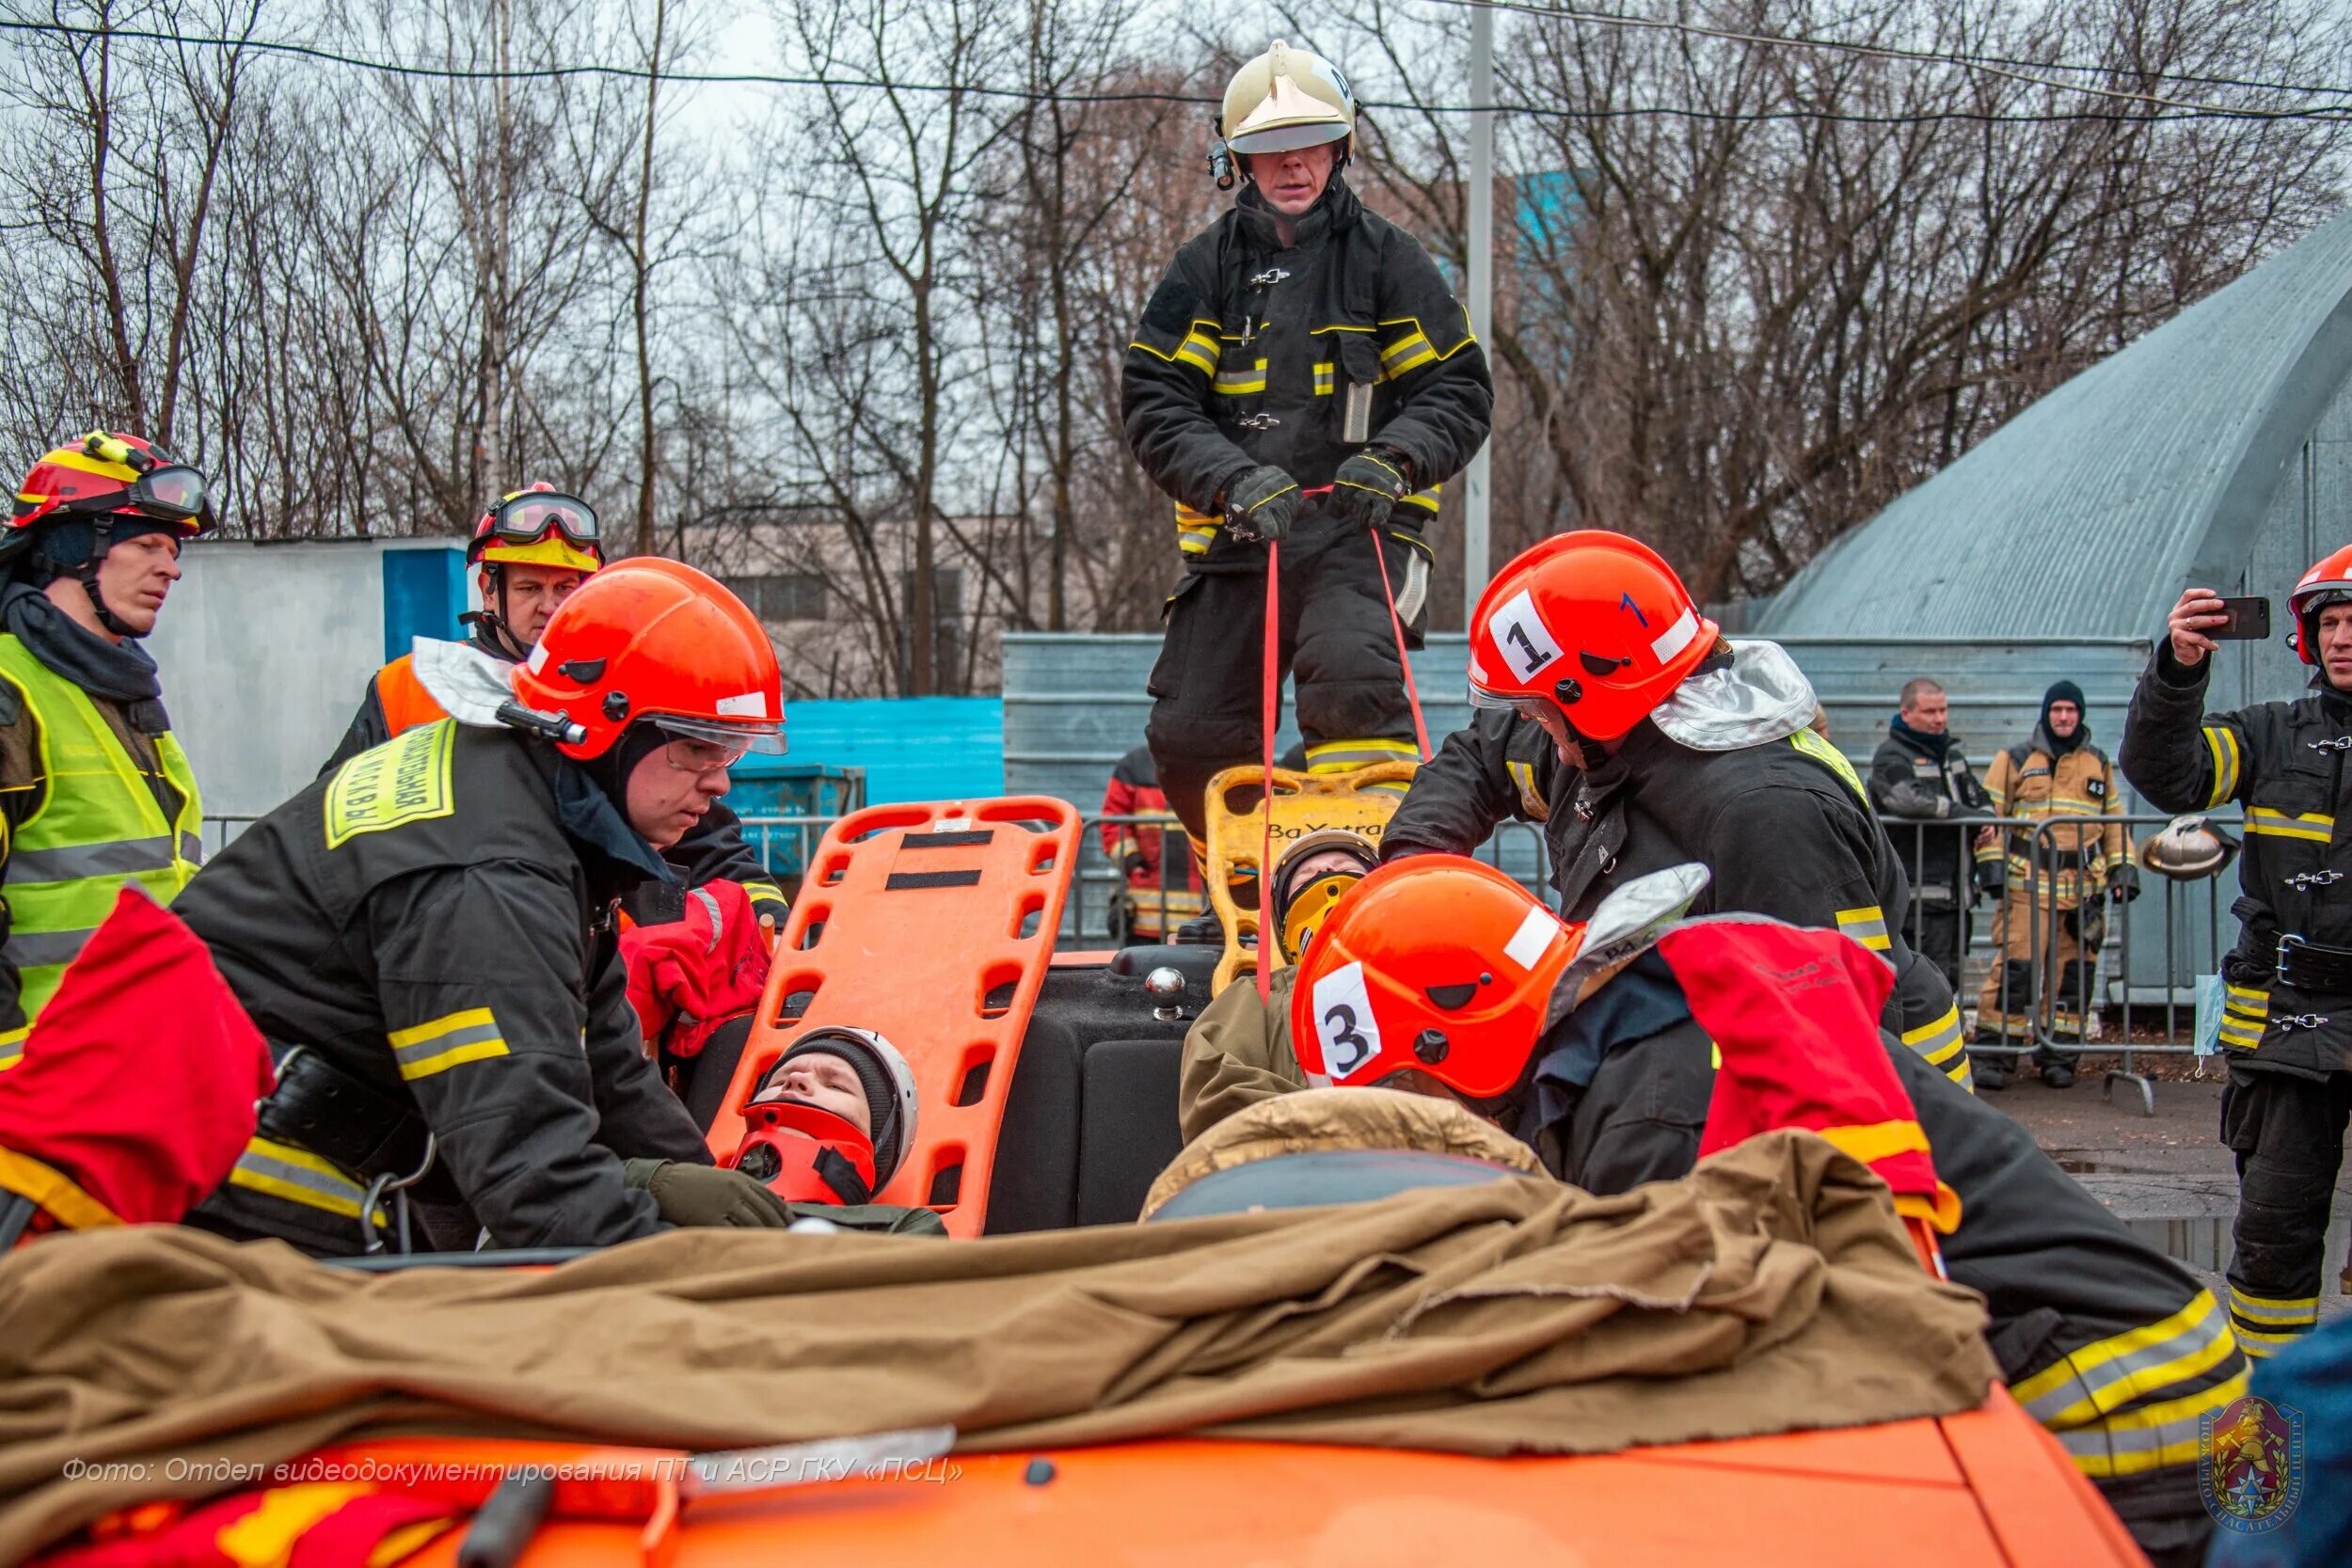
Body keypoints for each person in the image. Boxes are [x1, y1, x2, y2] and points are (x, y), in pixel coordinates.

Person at [1286, 854, 2243, 1568]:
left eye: (1411, 1095)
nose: (1422, 1135)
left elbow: (1677, 1388)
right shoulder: (1646, 1044)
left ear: (1451, 1044)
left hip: (2121, 1414)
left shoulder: (1652, 1111)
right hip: (2147, 1374)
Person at [179, 560, 836, 1256]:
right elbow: (536, 1182)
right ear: (609, 728)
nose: (721, 780)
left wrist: (698, 1182)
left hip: (270, 1146)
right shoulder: (493, 872)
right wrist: (726, 1274)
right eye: (697, 746)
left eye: (732, 750)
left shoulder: (529, 801)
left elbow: (609, 1063)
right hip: (215, 1180)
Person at [1120, 39, 1491, 937]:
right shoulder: (1200, 272)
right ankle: (1243, 890)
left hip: (1360, 538)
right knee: (1192, 731)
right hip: (1237, 539)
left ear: (1341, 148)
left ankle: (1382, 892)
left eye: (1313, 142)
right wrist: (1234, 479)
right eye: (1271, 147)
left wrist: (1392, 461)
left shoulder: (1388, 262)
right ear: (1235, 159)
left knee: (1355, 690)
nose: (1293, 163)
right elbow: (1155, 402)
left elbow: (1457, 390)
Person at [1383, 530, 1972, 1092]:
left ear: (1590, 694)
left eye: (1540, 709)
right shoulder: (1605, 737)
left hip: (1886, 1114)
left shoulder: (1768, 813)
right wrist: (1409, 873)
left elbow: (1831, 1034)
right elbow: (1484, 756)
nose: (1535, 725)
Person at [323, 484, 787, 931]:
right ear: (490, 591)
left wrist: (774, 927)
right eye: (529, 588)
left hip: (606, 958)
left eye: (567, 588)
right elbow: (336, 826)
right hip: (452, 936)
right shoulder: (408, 686)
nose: (550, 607)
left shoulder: (615, 694)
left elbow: (707, 841)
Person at [2119, 553, 2352, 1362]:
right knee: (2273, 1241)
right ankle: (2268, 1445)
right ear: (2307, 638)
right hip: (2287, 1030)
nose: (2343, 637)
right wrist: (2177, 671)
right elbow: (2168, 775)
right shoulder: (2267, 733)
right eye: (2330, 622)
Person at [0, 433, 211, 1068]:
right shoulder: (11, 689)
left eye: (173, 551)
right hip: (42, 1091)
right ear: (71, 547)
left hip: (137, 1074)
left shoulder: (128, 693)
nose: (169, 567)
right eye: (146, 544)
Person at [1972, 679, 2137, 1089]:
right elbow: (1988, 818)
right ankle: (1997, 1056)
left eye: (2071, 710)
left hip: (2082, 893)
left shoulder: (2097, 763)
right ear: (2046, 713)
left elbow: (2113, 824)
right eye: (2057, 709)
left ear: (2080, 714)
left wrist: (2124, 869)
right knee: (2015, 972)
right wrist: (1990, 868)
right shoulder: (2014, 759)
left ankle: (2059, 1057)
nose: (2064, 717)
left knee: (2074, 979)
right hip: (2027, 887)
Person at [1177, 826, 1379, 1142]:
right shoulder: (1254, 998)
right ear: (1284, 926)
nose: (1325, 872)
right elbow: (1217, 1094)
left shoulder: (1434, 975)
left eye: (1345, 867)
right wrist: (1340, 1124)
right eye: (1307, 875)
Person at [728, 1028, 945, 1235]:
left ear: (877, 1141)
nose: (795, 1080)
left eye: (835, 1086)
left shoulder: (906, 1229)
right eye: (780, 1080)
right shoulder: (700, 1188)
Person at [1868, 677, 1989, 991]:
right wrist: (1968, 817)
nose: (1939, 719)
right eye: (1930, 711)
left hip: (1956, 896)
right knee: (1920, 988)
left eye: (1943, 710)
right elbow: (1912, 801)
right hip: (1918, 900)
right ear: (1906, 713)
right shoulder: (1891, 757)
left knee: (1951, 982)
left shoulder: (1952, 756)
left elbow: (1980, 798)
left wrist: (1986, 819)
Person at [1098, 742, 1202, 943]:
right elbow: (1113, 824)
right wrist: (1132, 860)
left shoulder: (1213, 761)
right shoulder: (1134, 765)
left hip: (1199, 916)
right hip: (1147, 918)